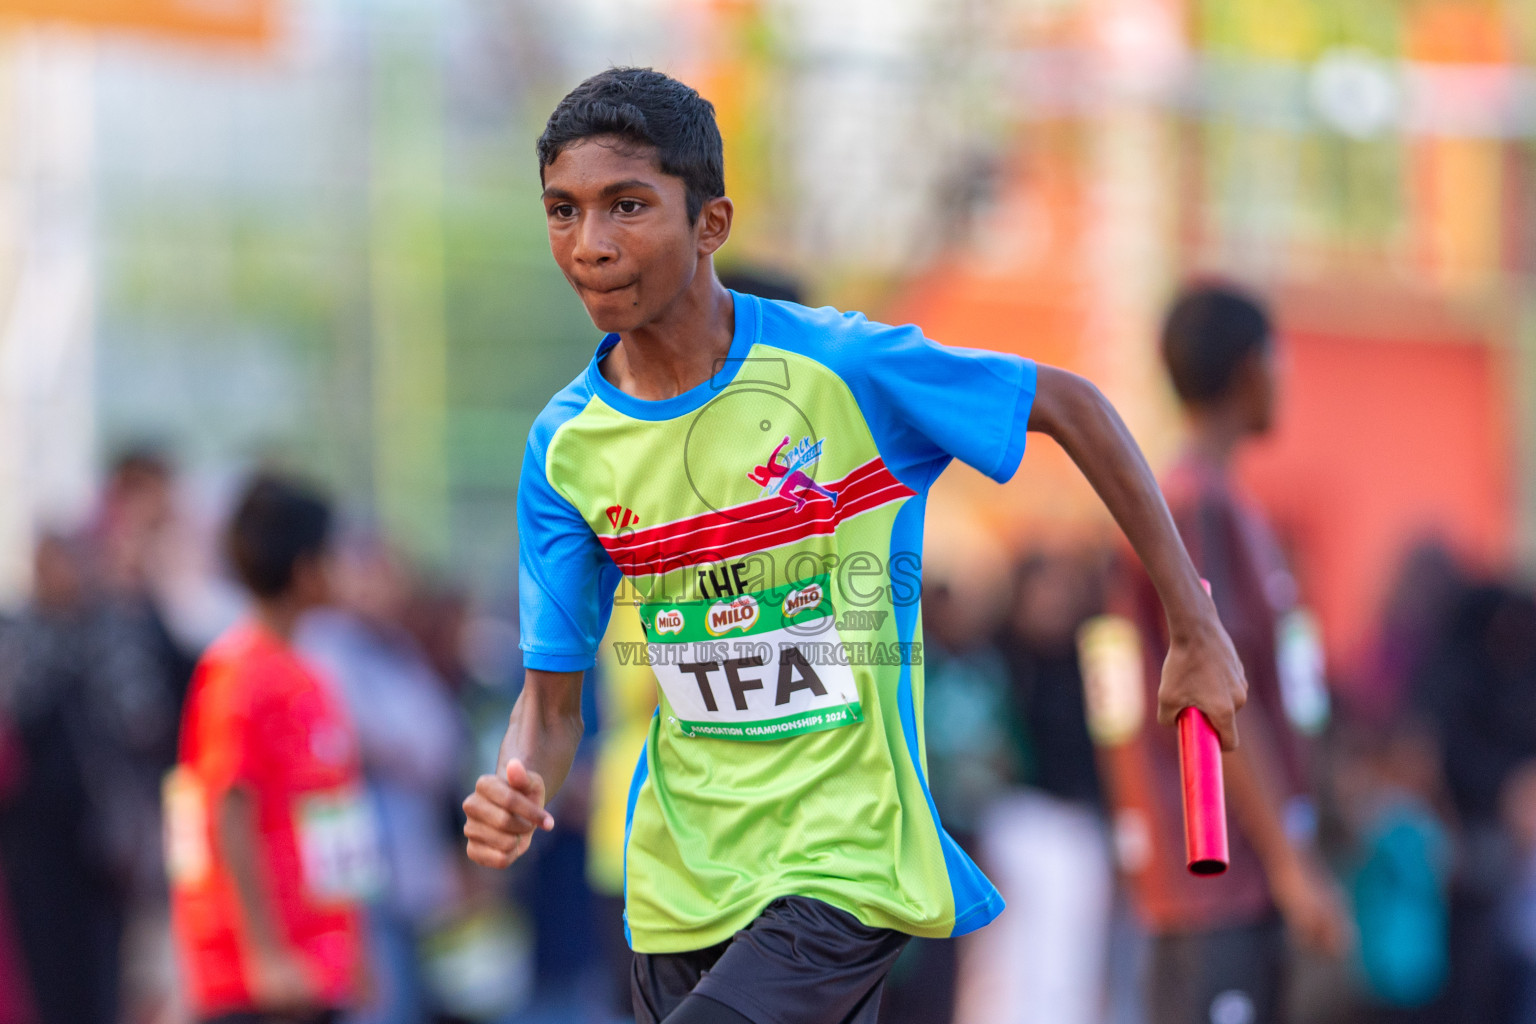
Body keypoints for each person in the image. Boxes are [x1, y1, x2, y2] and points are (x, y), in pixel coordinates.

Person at [461, 68, 1247, 1024]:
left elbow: (1072, 405)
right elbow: (549, 707)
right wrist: (517, 780)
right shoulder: (566, 445)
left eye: (628, 207)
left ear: (711, 223)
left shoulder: (842, 367)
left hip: (845, 855)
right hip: (677, 884)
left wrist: (1193, 626)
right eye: (563, 210)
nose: (590, 244)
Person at [1089, 283, 1348, 1024]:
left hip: (1242, 878)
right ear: (1249, 371)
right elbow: (1216, 692)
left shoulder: (1227, 502)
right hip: (1213, 879)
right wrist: (1296, 869)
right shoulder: (1192, 505)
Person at [168, 475, 376, 1024]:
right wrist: (264, 957)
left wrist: (355, 947)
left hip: (317, 968)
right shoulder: (237, 676)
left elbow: (332, 814)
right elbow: (226, 809)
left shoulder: (308, 676)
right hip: (261, 985)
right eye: (336, 555)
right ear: (308, 570)